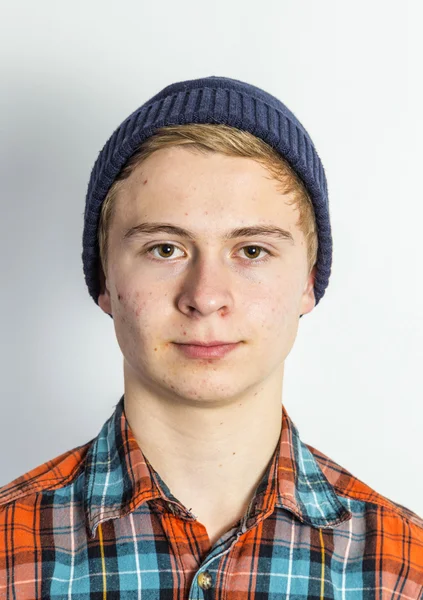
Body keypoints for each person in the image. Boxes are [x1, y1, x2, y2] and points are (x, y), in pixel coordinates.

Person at [1, 75, 422, 599]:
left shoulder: (403, 567)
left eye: (251, 251)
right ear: (104, 280)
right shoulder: (5, 553)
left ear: (309, 282)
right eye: (164, 249)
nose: (205, 296)